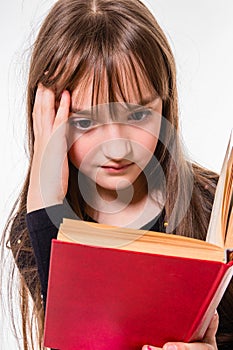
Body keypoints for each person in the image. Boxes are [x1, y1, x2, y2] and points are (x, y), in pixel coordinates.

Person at [1, 0, 233, 349]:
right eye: (84, 122)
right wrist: (46, 203)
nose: (116, 148)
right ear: (47, 119)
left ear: (165, 105)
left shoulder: (216, 206)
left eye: (138, 115)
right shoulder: (35, 225)